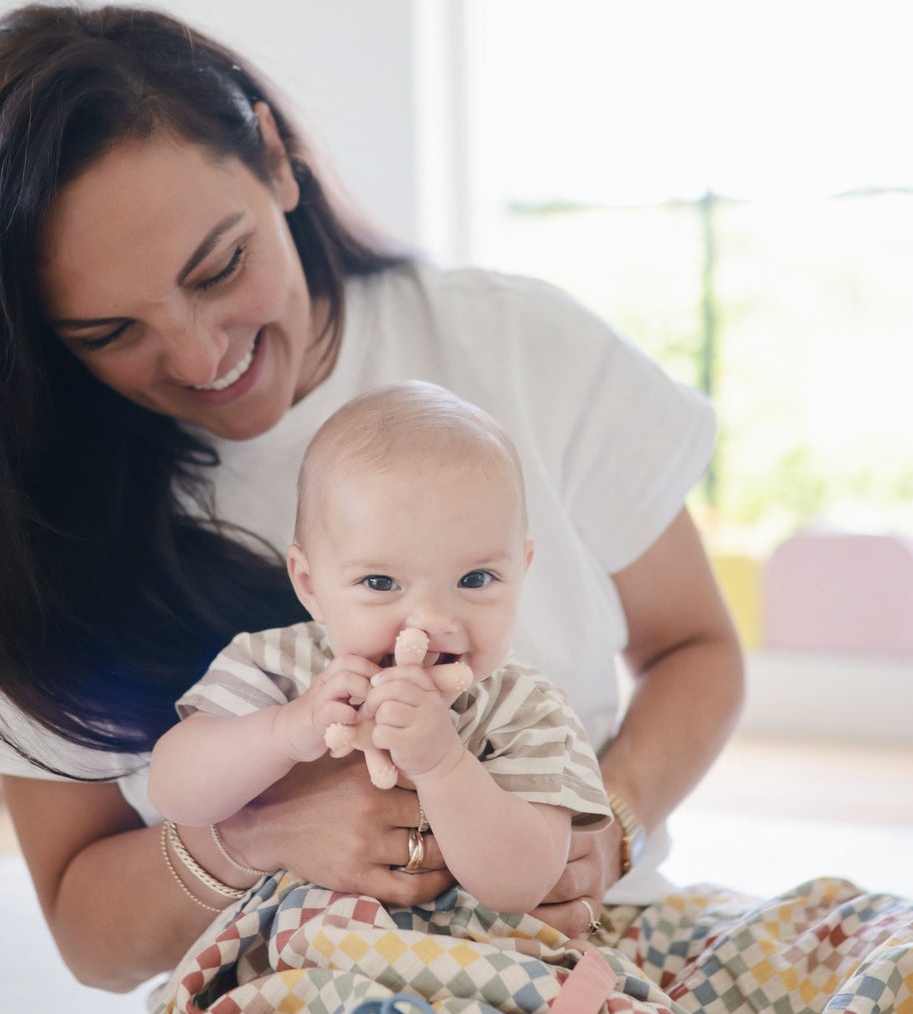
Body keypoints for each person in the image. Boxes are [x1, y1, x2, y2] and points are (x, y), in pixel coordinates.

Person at [0, 0, 739, 1014]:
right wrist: (262, 837)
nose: (200, 352)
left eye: (218, 267)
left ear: (276, 160)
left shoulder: (514, 346)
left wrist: (601, 825)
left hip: (592, 962)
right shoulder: (45, 539)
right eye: (109, 330)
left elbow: (698, 647)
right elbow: (89, 923)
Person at [149, 381, 614, 924]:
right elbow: (174, 792)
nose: (432, 621)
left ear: (521, 571)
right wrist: (285, 730)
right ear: (309, 585)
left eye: (475, 578)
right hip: (298, 957)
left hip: (467, 962)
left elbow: (523, 885)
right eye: (380, 582)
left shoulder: (525, 709)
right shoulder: (274, 667)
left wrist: (442, 765)